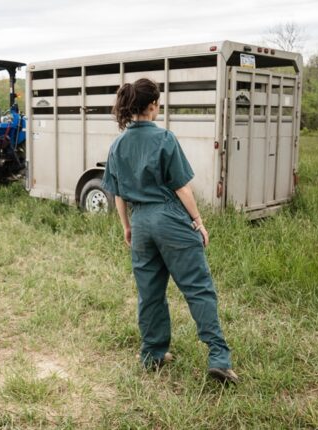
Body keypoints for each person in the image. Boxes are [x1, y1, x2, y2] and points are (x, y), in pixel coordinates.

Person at [101, 78, 238, 384]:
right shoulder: (164, 138)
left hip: (140, 224)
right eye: (158, 102)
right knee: (197, 287)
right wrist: (199, 222)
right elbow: (182, 188)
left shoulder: (118, 144)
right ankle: (218, 357)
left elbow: (119, 193)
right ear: (152, 106)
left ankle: (153, 353)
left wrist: (127, 226)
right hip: (170, 218)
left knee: (149, 293)